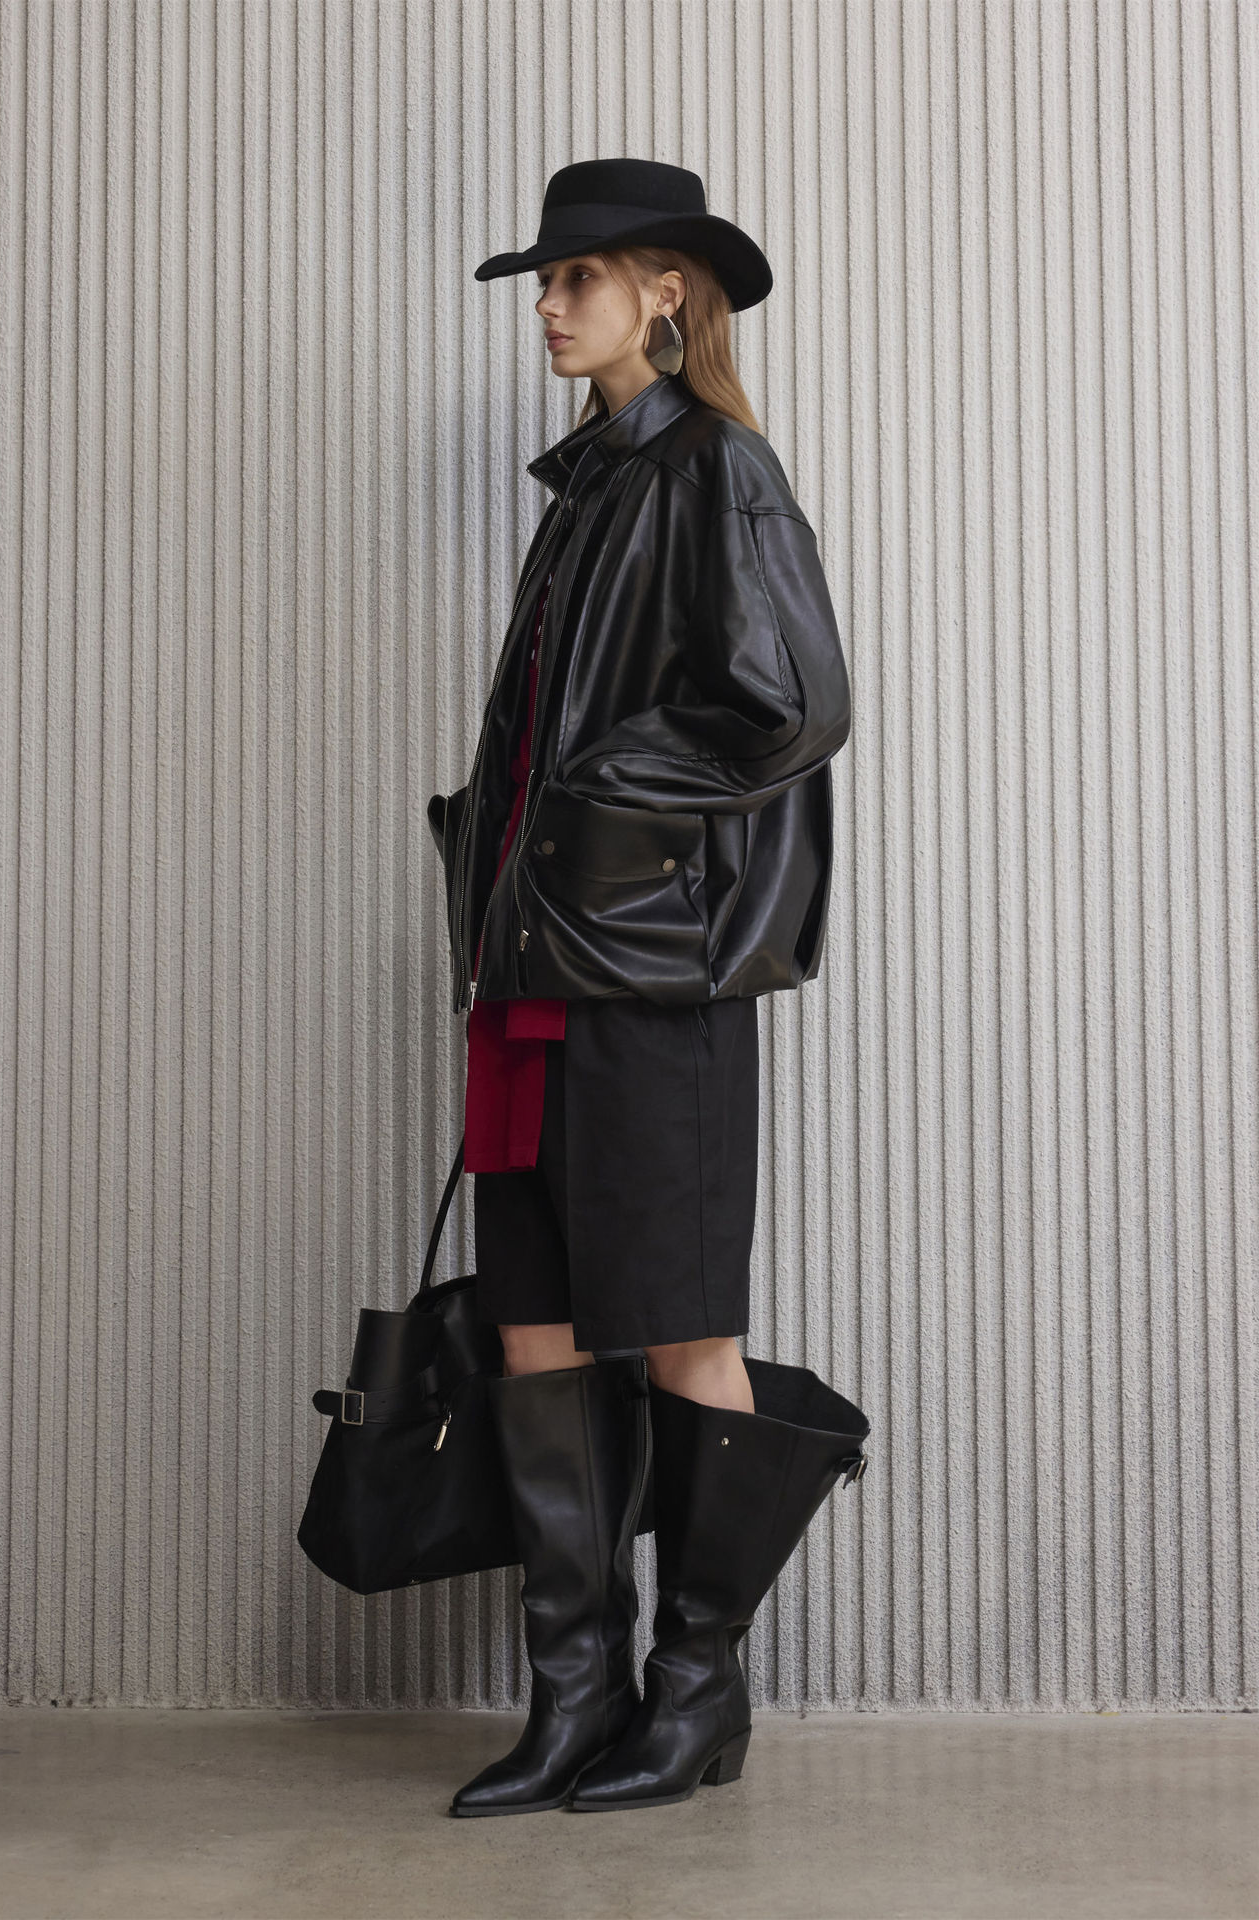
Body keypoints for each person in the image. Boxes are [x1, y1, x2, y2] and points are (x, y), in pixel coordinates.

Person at [426, 158, 854, 1816]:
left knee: (680, 1328)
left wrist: (594, 799)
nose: (547, 306)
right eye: (543, 282)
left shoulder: (716, 471)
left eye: (577, 279)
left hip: (651, 976)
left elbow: (793, 705)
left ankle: (698, 1696)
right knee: (534, 1324)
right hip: (532, 969)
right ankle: (575, 1696)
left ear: (666, 291)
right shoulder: (592, 485)